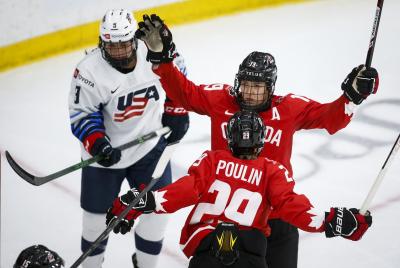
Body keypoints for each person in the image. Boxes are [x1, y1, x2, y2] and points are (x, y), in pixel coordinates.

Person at [132, 14, 379, 268]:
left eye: (257, 86)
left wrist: (351, 96)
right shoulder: (221, 100)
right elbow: (185, 93)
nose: (249, 92)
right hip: (234, 221)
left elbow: (330, 118)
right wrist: (162, 60)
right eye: (246, 84)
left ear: (270, 87)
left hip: (279, 213)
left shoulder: (288, 109)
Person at [106, 110, 372, 268]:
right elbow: (291, 206)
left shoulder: (212, 159)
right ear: (261, 142)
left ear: (230, 138)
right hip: (250, 252)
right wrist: (333, 221)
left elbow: (185, 190)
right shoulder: (272, 169)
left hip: (206, 249)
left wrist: (141, 202)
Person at [68, 9, 189, 268]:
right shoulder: (89, 71)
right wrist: (98, 142)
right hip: (104, 157)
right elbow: (82, 114)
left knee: (158, 212)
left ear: (135, 39)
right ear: (102, 44)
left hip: (149, 148)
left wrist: (176, 109)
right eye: (113, 46)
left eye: (125, 44)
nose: (120, 52)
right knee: (94, 223)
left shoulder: (154, 53)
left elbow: (178, 74)